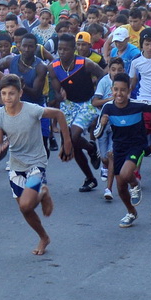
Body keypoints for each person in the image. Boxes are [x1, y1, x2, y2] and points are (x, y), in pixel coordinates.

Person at [0, 74, 72, 255]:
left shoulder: (32, 110)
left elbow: (59, 114)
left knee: (26, 205)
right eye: (3, 94)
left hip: (36, 163)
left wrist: (67, 142)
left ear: (20, 93)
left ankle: (43, 192)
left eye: (11, 93)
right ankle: (44, 237)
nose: (7, 98)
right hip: (15, 166)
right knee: (25, 210)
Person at [94, 73, 151, 228]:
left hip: (137, 145)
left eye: (123, 90)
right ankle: (131, 212)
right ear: (111, 90)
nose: (119, 93)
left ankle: (135, 185)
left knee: (126, 174)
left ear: (129, 90)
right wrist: (102, 124)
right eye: (116, 90)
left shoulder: (137, 105)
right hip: (119, 148)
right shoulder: (107, 107)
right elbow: (97, 134)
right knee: (121, 187)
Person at [48, 33, 106, 192]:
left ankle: (91, 149)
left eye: (65, 49)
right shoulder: (53, 67)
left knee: (73, 137)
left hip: (87, 103)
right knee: (71, 142)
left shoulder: (85, 64)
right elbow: (57, 89)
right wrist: (58, 94)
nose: (61, 52)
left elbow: (104, 76)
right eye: (59, 49)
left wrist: (98, 93)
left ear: (74, 50)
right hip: (69, 105)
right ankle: (90, 177)